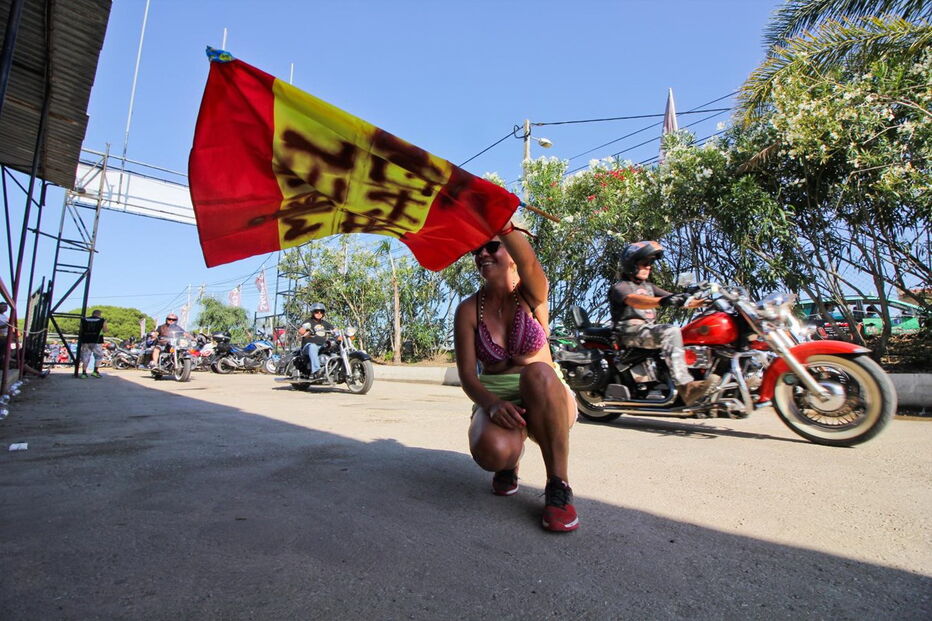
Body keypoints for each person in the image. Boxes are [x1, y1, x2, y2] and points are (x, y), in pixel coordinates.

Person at [453, 221, 579, 533]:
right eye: (476, 249)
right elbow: (468, 376)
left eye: (492, 245)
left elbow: (530, 262)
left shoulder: (531, 293)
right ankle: (509, 465)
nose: (482, 253)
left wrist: (503, 222)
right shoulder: (467, 310)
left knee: (537, 372)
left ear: (510, 250)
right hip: (498, 400)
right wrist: (492, 405)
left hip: (547, 397)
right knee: (493, 451)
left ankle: (558, 487)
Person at [608, 241, 719, 406]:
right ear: (632, 264)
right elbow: (636, 301)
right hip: (629, 333)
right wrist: (664, 301)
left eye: (651, 263)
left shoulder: (648, 286)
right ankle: (686, 386)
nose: (649, 267)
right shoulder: (621, 287)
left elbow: (673, 297)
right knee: (671, 331)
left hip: (646, 332)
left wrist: (702, 300)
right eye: (645, 263)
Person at [297, 303, 336, 377]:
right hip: (308, 347)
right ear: (312, 312)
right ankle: (316, 371)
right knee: (313, 346)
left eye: (321, 311)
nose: (319, 313)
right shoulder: (308, 322)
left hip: (321, 346)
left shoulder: (325, 323)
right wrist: (305, 330)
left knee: (333, 346)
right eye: (316, 311)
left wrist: (340, 333)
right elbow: (301, 330)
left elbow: (334, 329)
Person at [77, 309, 107, 378]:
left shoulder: (84, 319)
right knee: (99, 356)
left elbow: (81, 329)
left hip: (86, 340)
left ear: (93, 314)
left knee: (85, 356)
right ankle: (95, 371)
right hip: (97, 341)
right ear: (99, 314)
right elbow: (105, 330)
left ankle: (84, 373)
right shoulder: (102, 320)